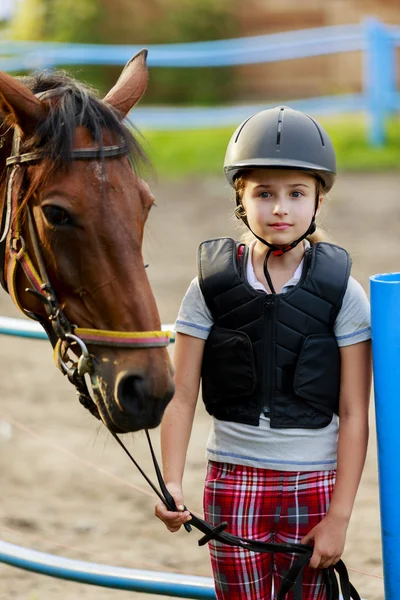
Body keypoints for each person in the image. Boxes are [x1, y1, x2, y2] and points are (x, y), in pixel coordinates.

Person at [154, 106, 371, 600]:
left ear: (318, 199)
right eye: (264, 193)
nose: (280, 208)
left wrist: (339, 517)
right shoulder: (209, 286)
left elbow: (356, 412)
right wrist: (172, 481)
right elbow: (182, 393)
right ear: (240, 200)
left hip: (313, 486)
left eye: (296, 193)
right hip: (233, 482)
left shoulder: (343, 291)